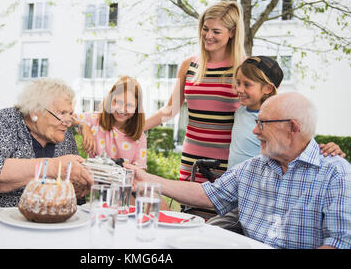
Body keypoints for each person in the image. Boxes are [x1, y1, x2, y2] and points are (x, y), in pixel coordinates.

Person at [125, 92, 351, 249]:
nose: (255, 130)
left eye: (262, 123)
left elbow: (339, 242)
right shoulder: (254, 167)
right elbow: (207, 195)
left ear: (292, 127)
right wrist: (145, 178)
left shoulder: (335, 174)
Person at [207, 56, 345, 232]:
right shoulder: (240, 111)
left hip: (260, 197)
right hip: (237, 190)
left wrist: (330, 148)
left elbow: (302, 142)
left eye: (246, 84)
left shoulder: (277, 120)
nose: (239, 89)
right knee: (210, 230)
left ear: (267, 88)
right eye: (238, 83)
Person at [0, 78, 94, 207]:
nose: (68, 121)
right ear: (35, 112)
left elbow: (67, 188)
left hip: (41, 219)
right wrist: (52, 167)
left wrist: (77, 186)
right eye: (62, 113)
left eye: (70, 113)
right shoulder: (10, 120)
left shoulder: (64, 134)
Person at [144, 1, 246, 185]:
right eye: (205, 29)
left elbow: (262, 112)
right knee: (188, 213)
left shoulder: (243, 68)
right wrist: (135, 129)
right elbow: (170, 109)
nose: (208, 36)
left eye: (216, 31)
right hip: (191, 159)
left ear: (232, 33)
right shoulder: (188, 65)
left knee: (218, 214)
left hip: (228, 163)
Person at [75, 76, 147, 168]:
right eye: (117, 102)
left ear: (137, 108)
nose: (121, 109)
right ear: (110, 99)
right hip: (93, 181)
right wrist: (83, 125)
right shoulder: (95, 120)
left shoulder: (140, 138)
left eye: (129, 105)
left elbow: (141, 173)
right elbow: (66, 117)